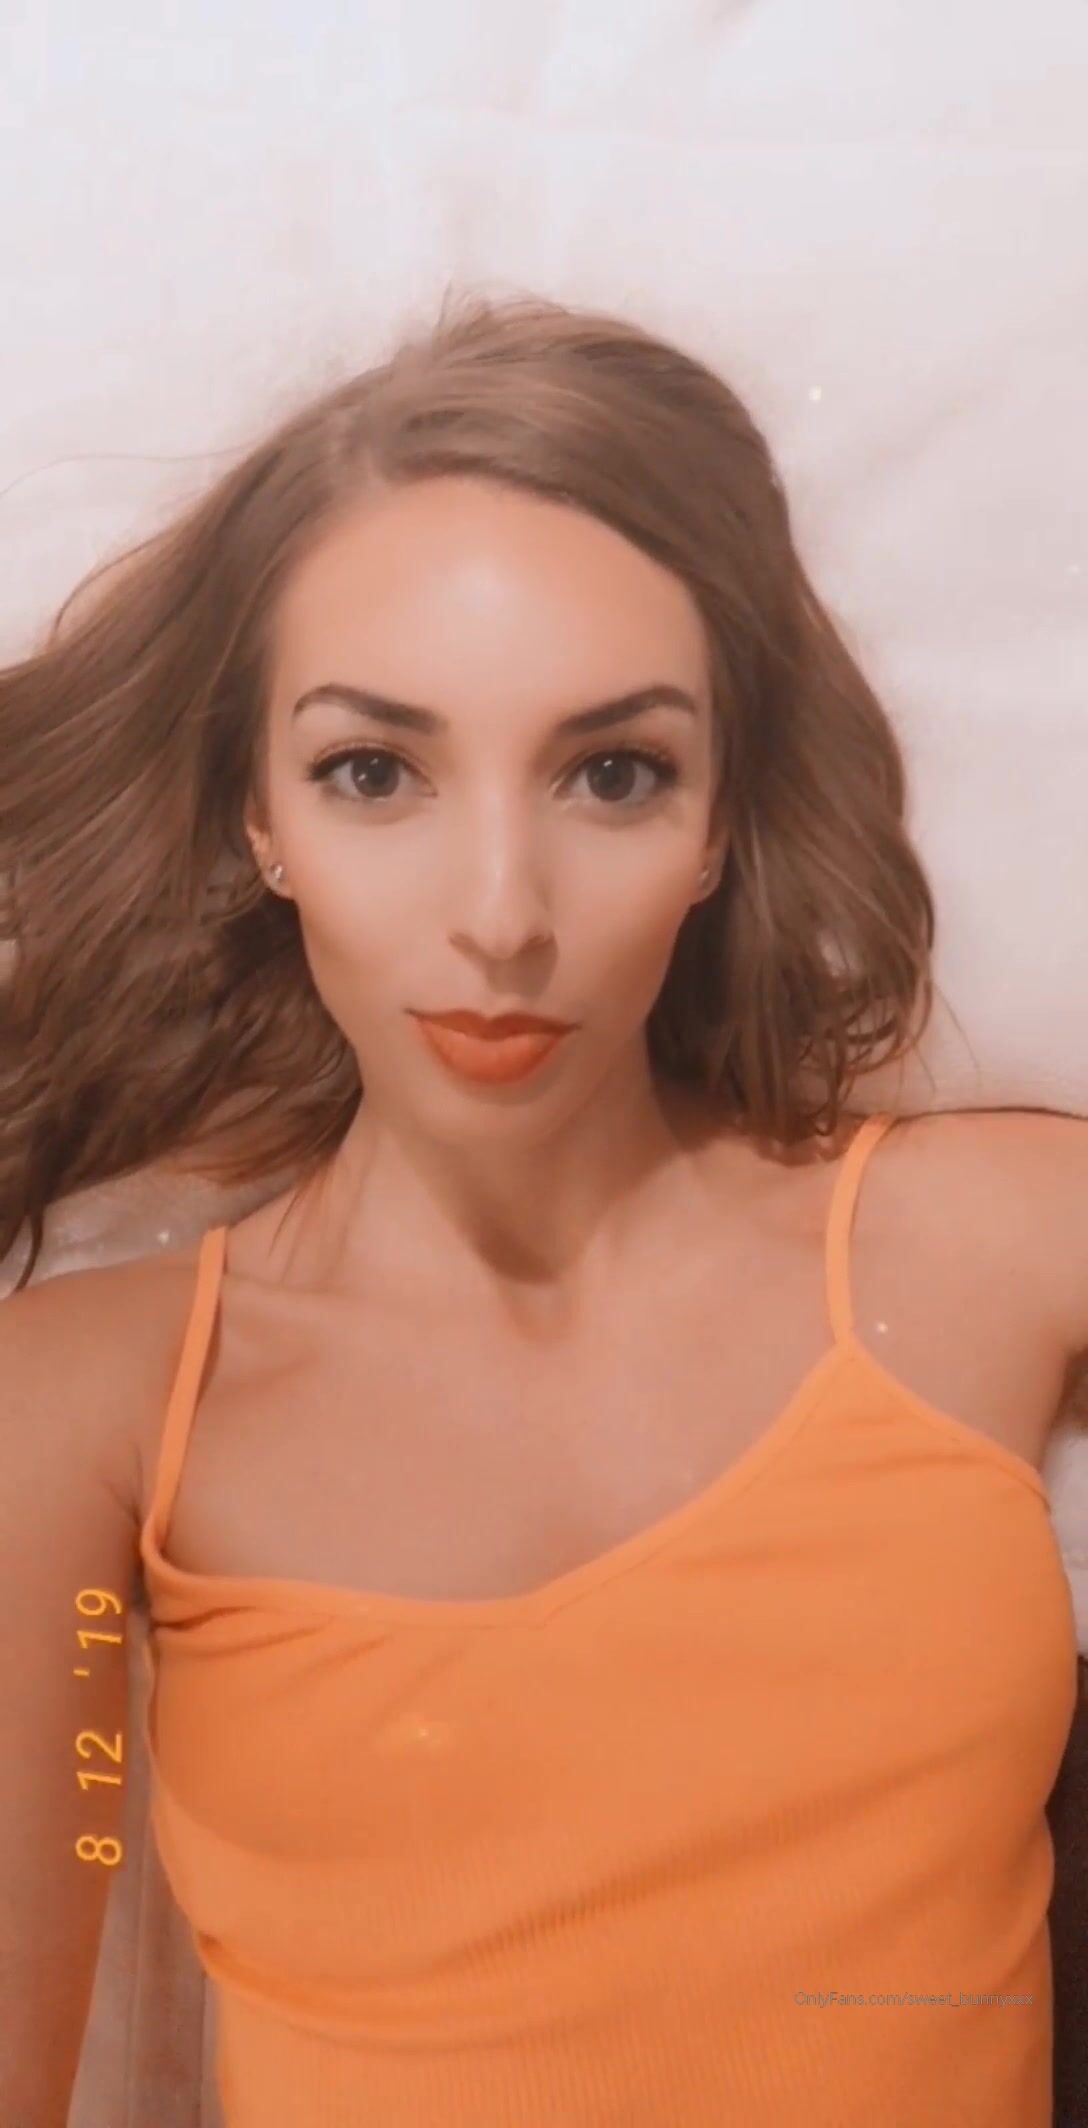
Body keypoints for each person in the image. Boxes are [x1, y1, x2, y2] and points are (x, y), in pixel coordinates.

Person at [1, 287, 1085, 2128]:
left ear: (722, 819)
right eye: (372, 773)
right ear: (259, 822)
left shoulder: (992, 1242)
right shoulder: (90, 1408)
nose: (499, 913)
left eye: (613, 773)